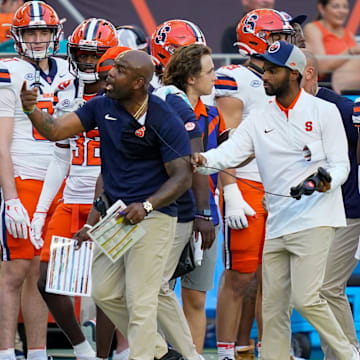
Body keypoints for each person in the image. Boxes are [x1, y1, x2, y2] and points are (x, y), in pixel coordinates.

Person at [20, 49, 193, 360]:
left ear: (139, 82)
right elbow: (56, 129)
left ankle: (146, 355)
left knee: (140, 299)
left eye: (120, 70)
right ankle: (161, 352)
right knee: (103, 292)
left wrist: (148, 206)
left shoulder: (164, 117)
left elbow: (182, 176)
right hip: (116, 216)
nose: (110, 73)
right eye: (113, 67)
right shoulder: (101, 105)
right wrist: (32, 110)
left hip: (154, 215)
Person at [192, 40, 359, 360]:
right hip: (278, 220)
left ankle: (348, 355)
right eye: (265, 69)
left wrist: (325, 180)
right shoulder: (260, 117)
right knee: (274, 304)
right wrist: (200, 161)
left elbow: (342, 165)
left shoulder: (326, 111)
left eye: (272, 70)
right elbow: (231, 152)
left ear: (294, 73)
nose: (264, 76)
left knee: (308, 297)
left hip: (317, 218)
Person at [29, 18, 119, 360]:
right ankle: (82, 349)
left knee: (108, 289)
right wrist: (41, 210)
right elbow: (60, 157)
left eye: (95, 56)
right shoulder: (65, 89)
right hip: (72, 198)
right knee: (48, 281)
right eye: (81, 55)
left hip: (112, 201)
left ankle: (103, 356)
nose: (87, 63)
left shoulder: (122, 92)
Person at [213, 9, 294, 360]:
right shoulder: (233, 78)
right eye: (277, 37)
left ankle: (269, 349)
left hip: (278, 188)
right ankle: (227, 350)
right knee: (239, 276)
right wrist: (230, 191)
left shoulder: (285, 77)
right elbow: (223, 141)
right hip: (244, 184)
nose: (284, 43)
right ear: (258, 40)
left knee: (271, 279)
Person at [0, 3, 71, 360]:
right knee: (15, 271)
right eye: (31, 32)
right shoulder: (8, 71)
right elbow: (1, 141)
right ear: (19, 36)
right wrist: (10, 197)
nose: (39, 39)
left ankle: (39, 352)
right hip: (25, 177)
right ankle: (5, 352)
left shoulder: (70, 71)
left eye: (44, 32)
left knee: (46, 277)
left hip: (61, 182)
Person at [151, 19, 217, 357]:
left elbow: (216, 159)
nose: (214, 76)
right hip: (177, 209)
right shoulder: (168, 101)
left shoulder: (208, 107)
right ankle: (167, 352)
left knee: (194, 296)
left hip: (197, 207)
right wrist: (202, 212)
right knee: (158, 287)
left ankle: (181, 353)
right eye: (207, 69)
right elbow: (196, 162)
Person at [301, 50, 360, 360]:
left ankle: (347, 353)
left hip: (350, 209)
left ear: (307, 73)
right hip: (321, 211)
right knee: (316, 289)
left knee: (326, 287)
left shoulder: (338, 106)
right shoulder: (287, 109)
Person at [303, 0, 360, 93]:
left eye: (345, 7)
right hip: (324, 85)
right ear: (322, 8)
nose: (342, 11)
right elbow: (320, 67)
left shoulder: (348, 34)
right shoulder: (313, 28)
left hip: (350, 85)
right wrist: (350, 51)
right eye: (336, 7)